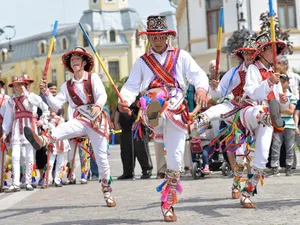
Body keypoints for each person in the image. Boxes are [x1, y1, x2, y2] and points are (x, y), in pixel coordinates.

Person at [118, 15, 209, 222]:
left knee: (175, 161)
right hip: (154, 103)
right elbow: (131, 85)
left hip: (177, 107)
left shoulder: (181, 55)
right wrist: (124, 100)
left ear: (167, 36)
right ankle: (152, 113)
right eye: (153, 37)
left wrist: (202, 89)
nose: (157, 41)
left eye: (160, 36)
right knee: (154, 96)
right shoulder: (142, 62)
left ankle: (167, 203)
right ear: (149, 38)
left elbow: (197, 75)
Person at [23, 46, 116, 207]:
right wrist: (46, 93)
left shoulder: (93, 78)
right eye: (72, 59)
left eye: (78, 58)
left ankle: (107, 191)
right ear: (70, 64)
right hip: (80, 119)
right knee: (63, 128)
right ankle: (42, 140)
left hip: (97, 121)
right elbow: (55, 105)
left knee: (102, 160)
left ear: (84, 62)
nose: (75, 62)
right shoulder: (67, 85)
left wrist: (99, 106)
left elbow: (102, 94)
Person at [192, 37, 256, 198]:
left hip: (252, 113)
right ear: (242, 55)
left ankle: (242, 184)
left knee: (245, 158)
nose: (249, 57)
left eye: (252, 54)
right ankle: (196, 122)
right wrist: (214, 87)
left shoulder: (261, 72)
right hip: (235, 108)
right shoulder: (233, 72)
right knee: (217, 111)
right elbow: (219, 94)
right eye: (246, 54)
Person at [230, 33, 288, 208]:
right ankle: (235, 185)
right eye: (271, 50)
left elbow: (278, 100)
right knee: (240, 158)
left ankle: (247, 193)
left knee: (261, 159)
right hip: (248, 112)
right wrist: (268, 83)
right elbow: (252, 92)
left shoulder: (273, 73)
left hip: (268, 118)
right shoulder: (253, 69)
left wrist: (283, 100)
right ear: (262, 52)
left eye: (276, 51)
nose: (275, 53)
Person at [3, 75, 49, 192]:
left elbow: (45, 108)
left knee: (29, 155)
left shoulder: (32, 97)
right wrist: (5, 132)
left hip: (29, 127)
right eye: (15, 85)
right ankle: (16, 183)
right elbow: (8, 117)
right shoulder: (11, 101)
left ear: (24, 85)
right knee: (15, 156)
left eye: (19, 85)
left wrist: (41, 121)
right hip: (17, 128)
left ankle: (28, 182)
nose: (17, 87)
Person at [116, 96, 153, 180]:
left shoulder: (140, 98)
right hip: (125, 129)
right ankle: (128, 172)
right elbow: (117, 111)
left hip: (137, 128)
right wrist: (116, 123)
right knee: (126, 151)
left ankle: (146, 170)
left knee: (141, 150)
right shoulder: (122, 98)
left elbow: (144, 111)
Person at [270, 73, 296, 176]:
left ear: (288, 83)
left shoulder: (291, 96)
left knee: (290, 147)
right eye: (280, 81)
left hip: (289, 124)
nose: (281, 83)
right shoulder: (275, 96)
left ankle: (289, 167)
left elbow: (291, 111)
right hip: (278, 124)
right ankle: (274, 167)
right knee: (275, 146)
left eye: (284, 81)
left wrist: (279, 111)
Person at [42, 108, 71, 187]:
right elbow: (44, 128)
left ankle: (57, 180)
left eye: (54, 109)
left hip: (60, 141)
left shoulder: (60, 119)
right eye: (50, 109)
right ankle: (47, 180)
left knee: (60, 162)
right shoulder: (45, 118)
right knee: (50, 163)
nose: (52, 111)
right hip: (51, 143)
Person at [0, 79, 10, 191]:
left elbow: (8, 116)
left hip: (2, 127)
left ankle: (2, 180)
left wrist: (6, 131)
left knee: (2, 155)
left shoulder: (6, 99)